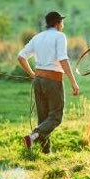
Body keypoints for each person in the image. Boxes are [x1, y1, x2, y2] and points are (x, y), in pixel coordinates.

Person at [18, 11, 79, 154]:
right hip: (53, 80)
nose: (62, 25)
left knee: (44, 118)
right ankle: (33, 136)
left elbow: (21, 56)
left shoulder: (37, 37)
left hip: (38, 80)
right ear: (58, 23)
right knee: (56, 117)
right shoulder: (60, 36)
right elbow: (63, 59)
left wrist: (33, 74)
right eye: (61, 22)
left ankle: (46, 152)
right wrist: (73, 82)